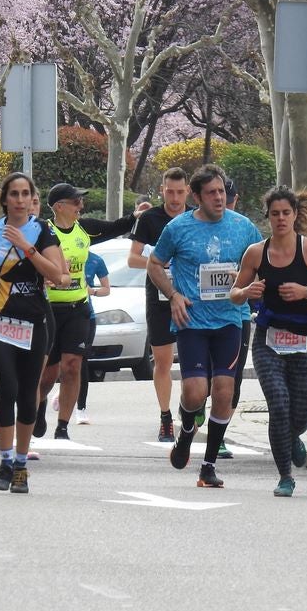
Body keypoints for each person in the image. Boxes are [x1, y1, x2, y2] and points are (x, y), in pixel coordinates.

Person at [147, 163, 261, 488]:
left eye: (222, 191)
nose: (219, 198)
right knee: (196, 393)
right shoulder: (178, 229)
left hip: (229, 321)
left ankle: (208, 465)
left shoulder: (243, 227)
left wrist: (252, 286)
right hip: (192, 321)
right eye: (211, 193)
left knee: (224, 393)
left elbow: (259, 261)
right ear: (196, 197)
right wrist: (173, 296)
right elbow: (155, 263)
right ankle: (185, 433)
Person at [230, 186, 307, 497]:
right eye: (274, 214)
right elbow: (234, 292)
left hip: (304, 339)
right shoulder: (256, 253)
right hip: (268, 339)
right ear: (268, 217)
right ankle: (285, 476)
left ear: (294, 215)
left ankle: (294, 436)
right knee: (278, 402)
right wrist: (247, 293)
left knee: (299, 414)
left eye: (285, 213)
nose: (280, 219)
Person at [0, 173, 67, 494]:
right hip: (0, 317)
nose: (19, 199)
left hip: (34, 320)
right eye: (13, 193)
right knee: (7, 388)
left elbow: (57, 275)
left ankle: (20, 465)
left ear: (32, 199)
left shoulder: (42, 231)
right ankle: (3, 460)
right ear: (4, 199)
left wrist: (26, 248)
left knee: (29, 394)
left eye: (25, 193)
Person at [34, 183, 136, 440]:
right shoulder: (43, 232)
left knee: (73, 366)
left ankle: (63, 426)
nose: (81, 206)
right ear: (60, 206)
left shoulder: (84, 228)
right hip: (50, 309)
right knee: (48, 373)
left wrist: (135, 217)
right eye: (76, 201)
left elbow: (114, 228)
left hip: (78, 308)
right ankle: (38, 404)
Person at [129, 167, 190, 441]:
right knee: (163, 361)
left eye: (180, 192)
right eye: (169, 191)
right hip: (158, 297)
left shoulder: (194, 218)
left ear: (188, 191)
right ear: (162, 190)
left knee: (194, 360)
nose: (175, 198)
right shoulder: (150, 218)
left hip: (188, 296)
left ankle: (188, 411)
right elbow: (133, 259)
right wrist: (158, 263)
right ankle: (165, 416)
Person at [72, 246, 111, 424]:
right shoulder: (61, 254)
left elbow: (106, 289)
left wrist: (91, 291)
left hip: (87, 316)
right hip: (59, 313)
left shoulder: (95, 260)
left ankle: (81, 408)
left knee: (81, 362)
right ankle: (64, 391)